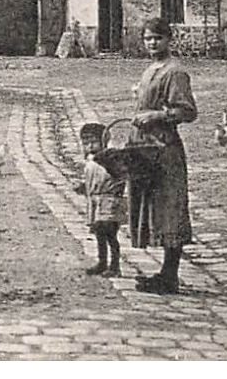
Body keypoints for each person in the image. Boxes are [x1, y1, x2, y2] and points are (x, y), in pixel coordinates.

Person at [128, 17, 197, 294]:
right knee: (151, 206)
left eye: (157, 38)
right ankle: (163, 274)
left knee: (170, 207)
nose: (152, 43)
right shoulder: (149, 71)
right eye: (147, 39)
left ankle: (170, 275)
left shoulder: (175, 72)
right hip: (145, 147)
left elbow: (188, 112)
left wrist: (157, 115)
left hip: (165, 148)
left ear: (169, 40)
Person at [78, 122, 124, 277]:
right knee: (99, 233)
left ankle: (115, 265)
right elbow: (92, 178)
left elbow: (119, 176)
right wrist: (84, 186)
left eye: (93, 142)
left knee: (110, 234)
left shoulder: (109, 158)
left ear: (104, 141)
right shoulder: (90, 161)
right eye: (86, 144)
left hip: (108, 201)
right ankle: (102, 262)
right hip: (96, 201)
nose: (90, 147)